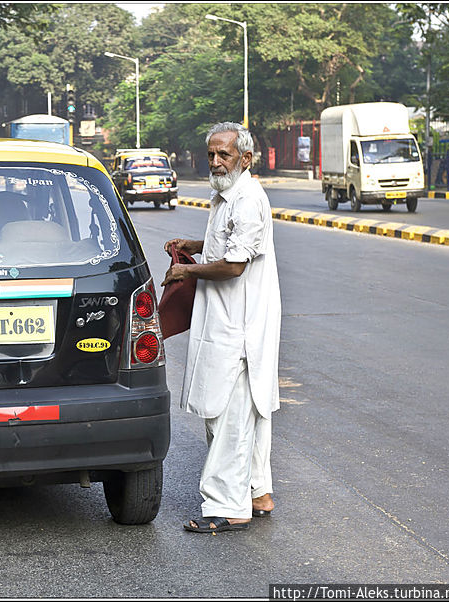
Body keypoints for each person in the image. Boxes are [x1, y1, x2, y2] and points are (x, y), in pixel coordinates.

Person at [162, 122, 281, 534]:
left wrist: (184, 271)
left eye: (224, 155)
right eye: (211, 154)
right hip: (232, 323)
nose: (215, 161)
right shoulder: (226, 196)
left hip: (239, 329)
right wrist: (196, 247)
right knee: (249, 413)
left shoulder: (247, 200)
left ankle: (228, 505)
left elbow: (233, 265)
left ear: (244, 159)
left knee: (229, 416)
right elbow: (226, 246)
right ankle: (257, 492)